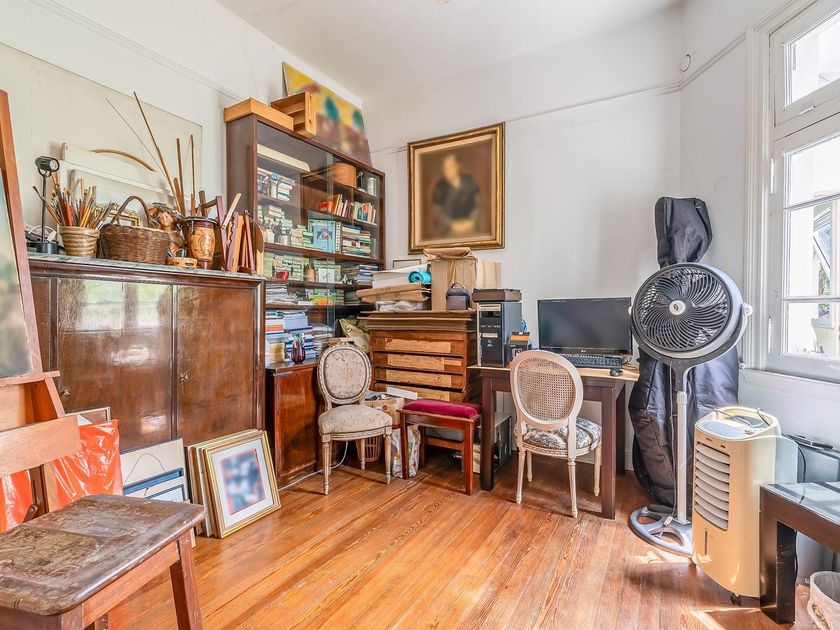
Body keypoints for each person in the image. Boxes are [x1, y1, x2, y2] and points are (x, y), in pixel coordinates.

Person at [431, 153, 480, 238]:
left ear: (457, 167)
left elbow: (478, 205)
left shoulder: (469, 180)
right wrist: (452, 224)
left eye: (450, 166)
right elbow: (438, 211)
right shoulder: (440, 186)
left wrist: (471, 221)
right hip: (448, 230)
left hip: (469, 227)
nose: (446, 170)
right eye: (444, 167)